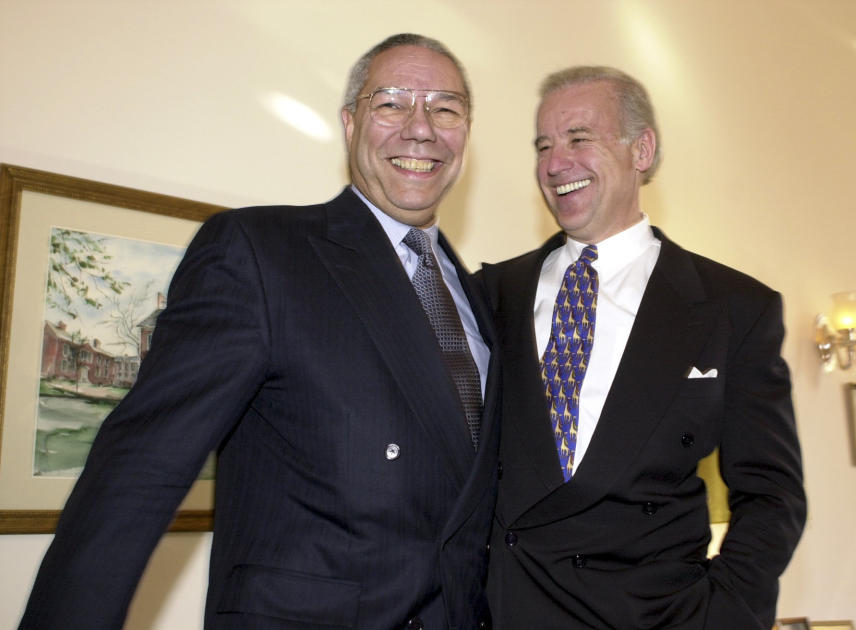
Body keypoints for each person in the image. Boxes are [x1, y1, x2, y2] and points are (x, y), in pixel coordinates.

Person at [21, 33, 500, 630]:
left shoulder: (477, 299)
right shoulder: (259, 254)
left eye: (446, 108)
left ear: (466, 134)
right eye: (392, 102)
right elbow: (140, 468)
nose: (421, 127)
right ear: (351, 123)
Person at [480, 66, 806, 630]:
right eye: (543, 146)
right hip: (506, 609)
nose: (556, 163)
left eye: (579, 138)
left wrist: (720, 613)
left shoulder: (734, 309)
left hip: (654, 615)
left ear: (642, 150)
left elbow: (772, 494)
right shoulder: (489, 293)